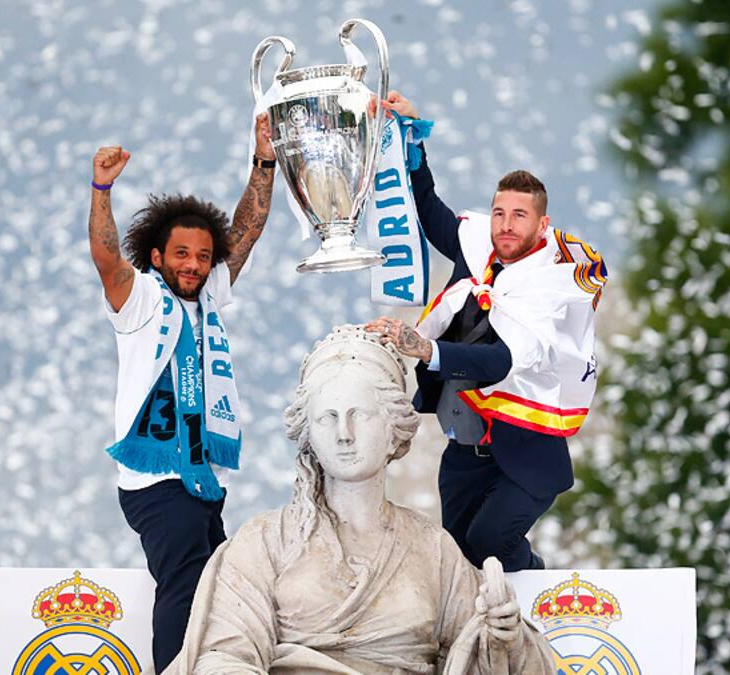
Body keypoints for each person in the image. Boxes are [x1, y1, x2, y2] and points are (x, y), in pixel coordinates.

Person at [165, 325, 558, 674]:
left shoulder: (432, 549)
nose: (344, 434)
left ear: (393, 428)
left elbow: (498, 658)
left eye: (361, 415)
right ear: (308, 433)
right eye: (327, 417)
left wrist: (502, 638)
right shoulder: (264, 542)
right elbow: (221, 658)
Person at [367, 91, 607, 573]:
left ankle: (536, 592)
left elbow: (501, 361)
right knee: (458, 564)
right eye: (500, 213)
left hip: (524, 455)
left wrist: (427, 349)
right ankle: (499, 613)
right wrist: (410, 138)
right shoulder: (478, 253)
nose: (506, 225)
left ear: (542, 224)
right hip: (464, 450)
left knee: (489, 544)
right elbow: (428, 207)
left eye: (519, 216)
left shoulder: (549, 286)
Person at [87, 114, 278, 672]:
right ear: (157, 257)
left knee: (220, 590)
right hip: (155, 481)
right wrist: (101, 189)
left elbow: (248, 229)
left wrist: (264, 160)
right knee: (185, 583)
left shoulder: (210, 294)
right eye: (181, 255)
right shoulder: (140, 299)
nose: (193, 265)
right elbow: (106, 257)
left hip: (201, 477)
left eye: (202, 256)